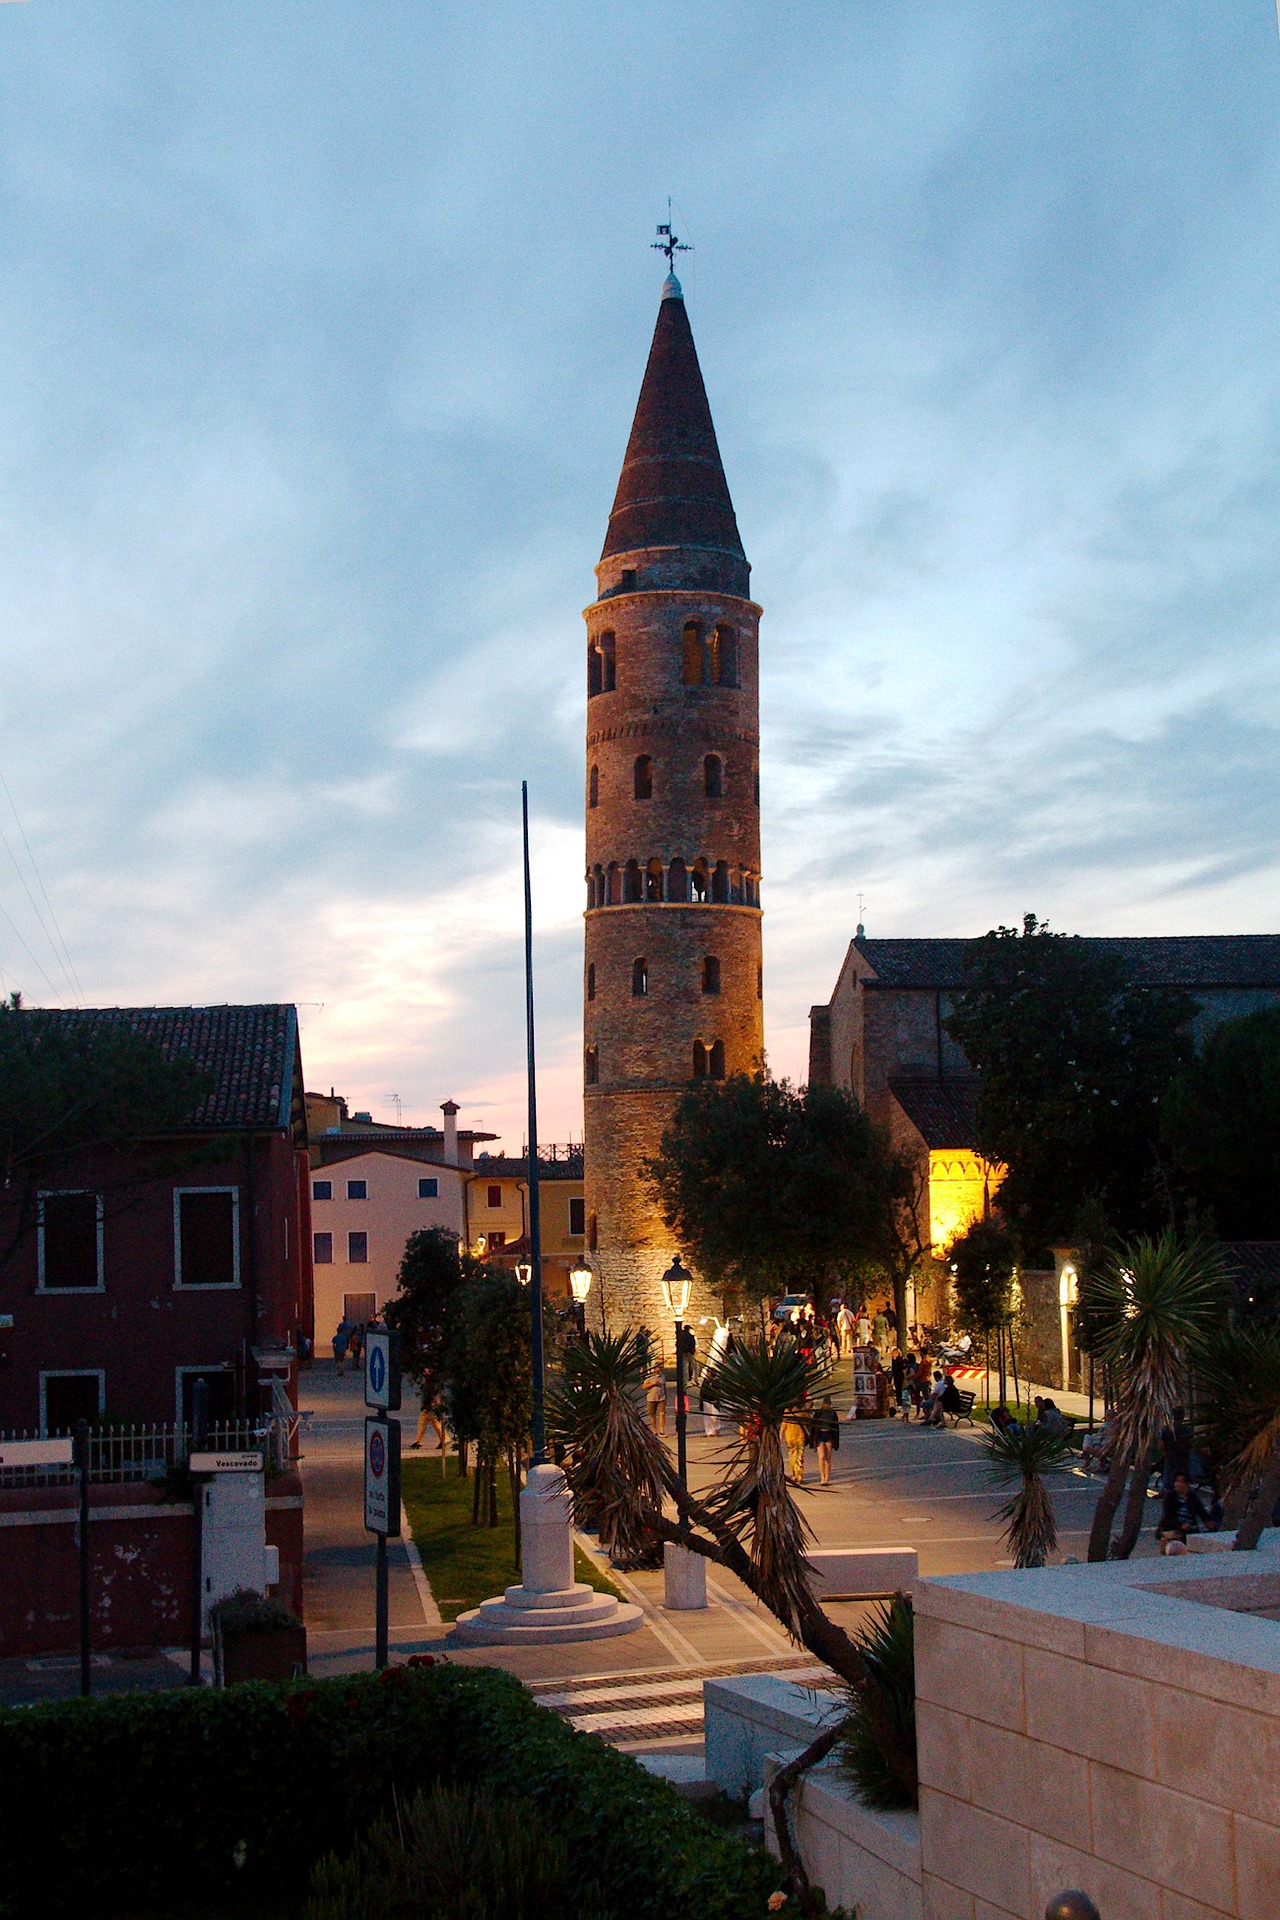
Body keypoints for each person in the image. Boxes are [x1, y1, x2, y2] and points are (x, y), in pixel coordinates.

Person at [1158, 1472, 1214, 1552]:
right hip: (1176, 1529)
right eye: (1177, 1481)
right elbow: (1168, 1516)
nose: (1179, 1484)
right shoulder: (1170, 1497)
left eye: (1182, 1482)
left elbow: (1201, 1511)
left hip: (1191, 1528)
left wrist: (1208, 1521)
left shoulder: (1192, 1496)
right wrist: (1181, 1525)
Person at [811, 1396, 840, 1485]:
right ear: (823, 1404)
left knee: (828, 1458)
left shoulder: (832, 1413)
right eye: (825, 1403)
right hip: (820, 1435)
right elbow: (813, 1426)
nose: (826, 1405)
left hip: (829, 1435)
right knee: (821, 1456)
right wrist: (812, 1440)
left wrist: (836, 1442)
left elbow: (836, 1427)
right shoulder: (818, 1413)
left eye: (828, 1403)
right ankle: (822, 1477)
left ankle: (827, 1478)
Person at [642, 1342, 667, 1436]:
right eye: (657, 1367)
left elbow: (664, 1386)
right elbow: (644, 1386)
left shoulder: (662, 1376)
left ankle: (662, 1430)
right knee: (652, 1414)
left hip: (661, 1397)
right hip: (651, 1398)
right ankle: (654, 1430)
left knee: (662, 1414)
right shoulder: (649, 1376)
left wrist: (666, 1396)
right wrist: (652, 1384)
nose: (659, 1369)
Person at [781, 1409, 808, 1484]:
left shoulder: (802, 1411)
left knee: (799, 1457)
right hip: (790, 1438)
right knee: (792, 1457)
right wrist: (781, 1434)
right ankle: (795, 1474)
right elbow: (784, 1424)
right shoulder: (787, 1412)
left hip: (800, 1437)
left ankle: (799, 1475)